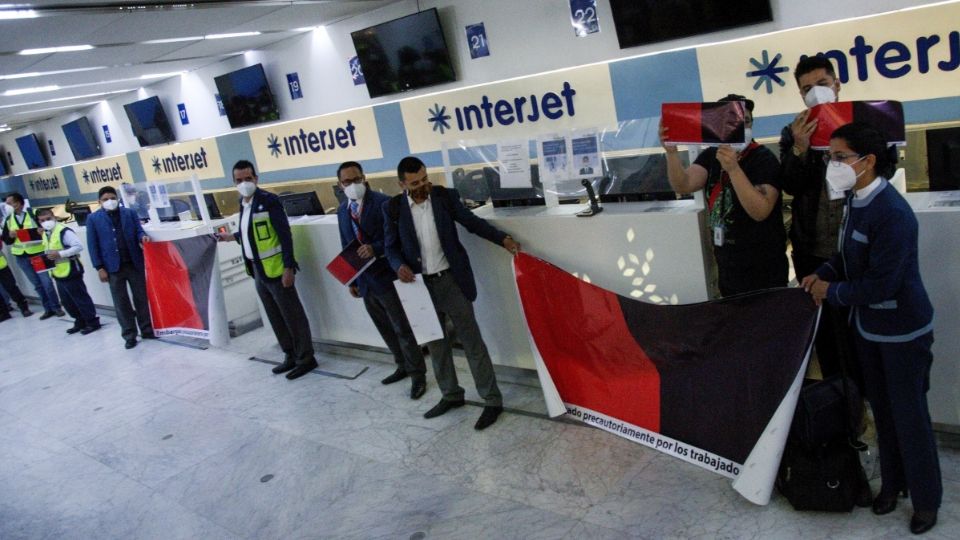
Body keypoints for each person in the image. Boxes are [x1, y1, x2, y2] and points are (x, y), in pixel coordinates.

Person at [802, 123, 941, 535]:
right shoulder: (854, 201)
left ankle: (926, 500)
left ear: (868, 161)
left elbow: (883, 283)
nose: (834, 164)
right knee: (882, 413)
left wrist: (834, 291)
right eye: (831, 157)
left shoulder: (893, 214)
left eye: (840, 157)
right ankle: (893, 485)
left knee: (910, 416)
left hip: (902, 332)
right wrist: (822, 273)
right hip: (869, 330)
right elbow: (847, 257)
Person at [384, 156, 520, 431]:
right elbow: (390, 246)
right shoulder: (394, 208)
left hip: (451, 281)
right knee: (436, 344)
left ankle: (492, 400)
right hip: (420, 286)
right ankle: (451, 394)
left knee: (472, 342)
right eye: (415, 182)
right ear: (402, 184)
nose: (422, 185)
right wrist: (398, 266)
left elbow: (471, 222)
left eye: (424, 178)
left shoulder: (445, 197)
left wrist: (501, 239)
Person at [779, 55, 859, 385]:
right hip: (812, 249)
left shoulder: (860, 125)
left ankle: (864, 400)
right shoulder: (793, 131)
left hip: (854, 245)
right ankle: (838, 407)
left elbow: (881, 168)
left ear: (836, 85)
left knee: (859, 332)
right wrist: (801, 148)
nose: (815, 93)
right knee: (826, 336)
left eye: (821, 85)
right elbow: (790, 185)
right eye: (807, 88)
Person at [660, 94, 787, 296]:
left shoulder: (763, 158)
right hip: (727, 262)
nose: (741, 128)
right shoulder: (711, 155)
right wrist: (672, 153)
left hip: (763, 265)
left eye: (746, 122)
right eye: (733, 122)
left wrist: (733, 169)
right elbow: (683, 184)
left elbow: (761, 211)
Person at [217, 160, 317, 380]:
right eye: (239, 180)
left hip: (277, 270)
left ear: (256, 179)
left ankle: (306, 358)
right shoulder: (242, 203)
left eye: (248, 179)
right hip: (257, 271)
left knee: (292, 315)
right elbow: (249, 233)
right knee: (275, 316)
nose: (244, 183)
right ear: (234, 182)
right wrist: (230, 237)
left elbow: (284, 235)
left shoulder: (269, 201)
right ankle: (289, 355)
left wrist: (289, 267)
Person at [336, 161, 427, 399]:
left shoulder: (383, 203)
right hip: (365, 281)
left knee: (403, 328)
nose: (353, 185)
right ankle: (402, 365)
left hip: (387, 276)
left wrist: (375, 248)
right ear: (340, 184)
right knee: (385, 328)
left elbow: (397, 239)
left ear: (364, 178)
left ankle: (418, 374)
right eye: (347, 182)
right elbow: (345, 243)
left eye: (356, 179)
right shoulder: (342, 210)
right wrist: (352, 280)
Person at [86, 186, 156, 349]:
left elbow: (139, 230)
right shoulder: (93, 219)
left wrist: (143, 237)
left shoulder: (129, 214)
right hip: (112, 267)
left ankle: (146, 329)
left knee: (141, 299)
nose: (109, 201)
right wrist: (99, 267)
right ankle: (129, 335)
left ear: (117, 199)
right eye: (105, 199)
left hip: (133, 263)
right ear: (99, 202)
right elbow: (93, 245)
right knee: (121, 303)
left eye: (112, 198)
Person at [36, 209, 100, 334]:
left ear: (53, 217)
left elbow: (78, 246)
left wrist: (60, 254)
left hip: (71, 269)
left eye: (48, 219)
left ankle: (92, 322)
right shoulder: (46, 233)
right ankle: (79, 321)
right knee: (67, 300)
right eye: (42, 220)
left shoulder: (63, 231)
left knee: (80, 298)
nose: (46, 222)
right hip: (57, 271)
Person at [2, 192, 63, 318]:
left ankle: (56, 307)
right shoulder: (8, 219)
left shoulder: (33, 214)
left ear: (18, 203)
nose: (6, 206)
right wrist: (10, 236)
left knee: (46, 282)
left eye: (9, 203)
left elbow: (49, 227)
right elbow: (6, 240)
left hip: (38, 253)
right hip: (21, 256)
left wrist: (42, 231)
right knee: (37, 284)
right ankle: (47, 308)